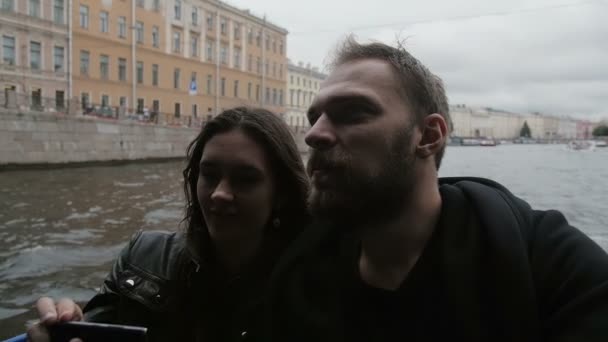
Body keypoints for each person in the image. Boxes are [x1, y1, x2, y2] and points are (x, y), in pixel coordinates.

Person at [266, 37, 608, 341]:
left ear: (429, 136)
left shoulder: (546, 264)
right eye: (315, 118)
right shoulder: (301, 270)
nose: (313, 135)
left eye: (353, 112)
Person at [27, 107, 309, 342]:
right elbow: (94, 328)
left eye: (245, 179)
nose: (220, 193)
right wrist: (67, 325)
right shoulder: (143, 256)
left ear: (282, 193)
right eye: (209, 174)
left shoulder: (313, 286)